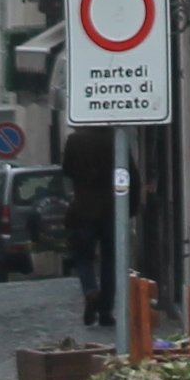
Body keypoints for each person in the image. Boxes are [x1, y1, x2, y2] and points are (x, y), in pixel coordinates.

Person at [64, 126, 115, 331]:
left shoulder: (74, 141)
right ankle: (105, 312)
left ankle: (90, 290)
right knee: (110, 261)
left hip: (82, 209)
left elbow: (66, 170)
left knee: (82, 257)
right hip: (111, 209)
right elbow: (129, 171)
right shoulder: (114, 140)